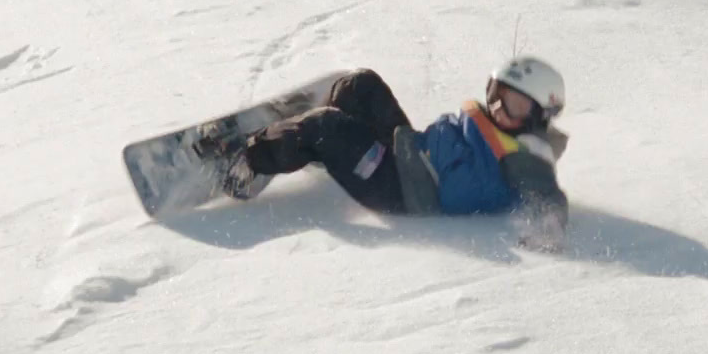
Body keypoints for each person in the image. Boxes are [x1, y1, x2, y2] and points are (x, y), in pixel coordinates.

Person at [213, 56, 571, 250]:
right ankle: (309, 141)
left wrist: (548, 228)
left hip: (401, 191)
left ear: (540, 116)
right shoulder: (504, 128)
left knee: (327, 127)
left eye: (514, 105)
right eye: (496, 94)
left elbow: (546, 195)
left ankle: (245, 162)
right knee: (361, 84)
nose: (496, 108)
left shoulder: (527, 155)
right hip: (410, 152)